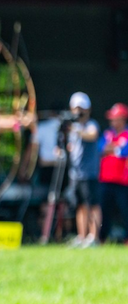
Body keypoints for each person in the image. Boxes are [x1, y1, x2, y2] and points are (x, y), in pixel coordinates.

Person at [65, 92, 100, 247]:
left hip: (89, 173)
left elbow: (92, 135)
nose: (78, 112)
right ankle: (82, 236)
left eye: (81, 108)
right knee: (80, 205)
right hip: (75, 174)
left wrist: (77, 129)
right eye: (75, 108)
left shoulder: (91, 125)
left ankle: (94, 237)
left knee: (92, 205)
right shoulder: (72, 129)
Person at [98, 102, 128, 243]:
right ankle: (102, 239)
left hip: (123, 181)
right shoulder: (107, 134)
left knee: (125, 211)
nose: (112, 121)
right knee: (104, 212)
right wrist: (115, 148)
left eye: (115, 118)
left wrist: (112, 149)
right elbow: (100, 149)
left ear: (122, 119)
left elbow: (124, 151)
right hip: (106, 179)